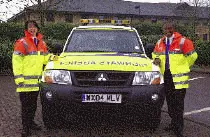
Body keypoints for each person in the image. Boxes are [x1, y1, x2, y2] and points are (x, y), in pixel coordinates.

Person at [152, 22, 198, 137]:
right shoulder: (160, 42)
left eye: (170, 28)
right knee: (170, 103)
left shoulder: (183, 41)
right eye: (165, 28)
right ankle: (173, 124)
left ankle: (178, 128)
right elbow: (154, 54)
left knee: (178, 104)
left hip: (178, 79)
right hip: (166, 77)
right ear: (162, 30)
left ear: (174, 29)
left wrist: (183, 67)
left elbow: (193, 56)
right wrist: (157, 59)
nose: (168, 30)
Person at [12, 20, 50, 137]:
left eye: (34, 27)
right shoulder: (22, 43)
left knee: (33, 105)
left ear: (37, 28)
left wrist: (54, 57)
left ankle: (31, 122)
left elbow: (44, 58)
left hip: (36, 82)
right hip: (24, 82)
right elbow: (16, 61)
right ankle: (25, 128)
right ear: (26, 29)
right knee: (26, 106)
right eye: (29, 27)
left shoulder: (41, 43)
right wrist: (19, 79)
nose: (32, 29)